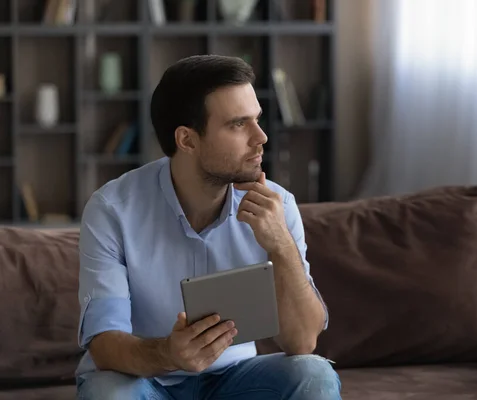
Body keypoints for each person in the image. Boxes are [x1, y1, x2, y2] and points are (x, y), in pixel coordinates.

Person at [75, 54, 341, 399]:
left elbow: (303, 342)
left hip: (236, 378)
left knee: (314, 374)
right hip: (144, 380)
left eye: (256, 120)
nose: (260, 137)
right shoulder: (112, 210)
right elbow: (104, 344)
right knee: (107, 393)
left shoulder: (278, 205)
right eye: (237, 124)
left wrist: (281, 245)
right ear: (187, 140)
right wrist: (167, 354)